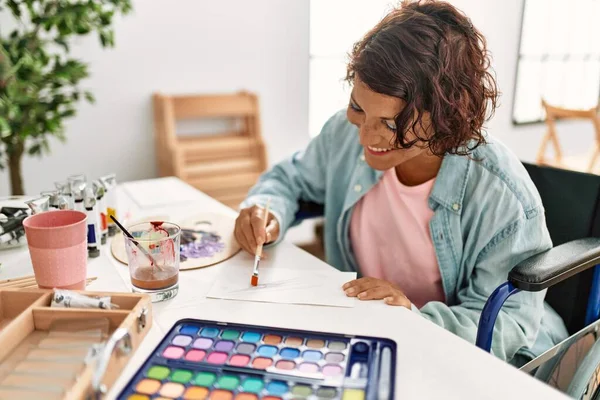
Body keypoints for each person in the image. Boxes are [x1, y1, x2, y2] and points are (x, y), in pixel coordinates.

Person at [234, 0, 567, 364]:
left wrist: (411, 316)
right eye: (358, 107)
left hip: (466, 357)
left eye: (391, 124)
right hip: (373, 335)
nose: (365, 136)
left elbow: (507, 323)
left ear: (446, 118)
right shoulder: (344, 134)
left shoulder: (502, 193)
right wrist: (268, 212)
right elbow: (289, 178)